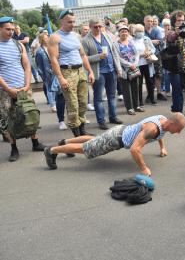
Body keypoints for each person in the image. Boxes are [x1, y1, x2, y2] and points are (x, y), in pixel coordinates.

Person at [44, 113, 185, 175]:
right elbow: (134, 149)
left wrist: (162, 147)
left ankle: (65, 142)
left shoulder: (163, 121)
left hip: (120, 130)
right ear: (171, 123)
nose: (179, 132)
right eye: (179, 129)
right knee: (86, 148)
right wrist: (144, 168)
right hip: (115, 139)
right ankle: (52, 150)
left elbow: (159, 135)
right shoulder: (152, 129)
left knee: (94, 139)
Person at [0, 16, 46, 161]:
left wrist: (27, 85)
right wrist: (7, 88)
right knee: (10, 118)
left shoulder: (17, 45)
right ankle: (14, 149)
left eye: (13, 29)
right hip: (5, 91)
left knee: (30, 114)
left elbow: (27, 65)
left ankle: (35, 142)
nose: (11, 32)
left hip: (23, 87)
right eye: (8, 29)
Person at [48, 9, 95, 137]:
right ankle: (77, 134)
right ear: (61, 21)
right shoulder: (55, 37)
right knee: (73, 105)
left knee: (83, 103)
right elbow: (54, 60)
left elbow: (83, 55)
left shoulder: (76, 36)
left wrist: (90, 72)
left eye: (74, 22)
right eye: (69, 22)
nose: (73, 24)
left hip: (80, 71)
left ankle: (83, 130)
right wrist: (61, 78)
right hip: (67, 72)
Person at [82, 18, 123, 130]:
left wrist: (118, 68)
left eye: (100, 26)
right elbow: (84, 58)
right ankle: (101, 121)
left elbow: (114, 52)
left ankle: (113, 117)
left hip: (111, 70)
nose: (99, 28)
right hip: (98, 72)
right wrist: (98, 57)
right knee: (98, 98)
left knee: (111, 95)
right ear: (90, 27)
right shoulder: (86, 40)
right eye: (96, 27)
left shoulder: (107, 35)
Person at [115, 24, 143, 115]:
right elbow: (118, 58)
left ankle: (137, 106)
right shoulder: (116, 44)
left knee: (136, 87)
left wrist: (135, 63)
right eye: (122, 31)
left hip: (134, 68)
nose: (124, 33)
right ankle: (129, 108)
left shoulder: (131, 41)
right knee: (126, 90)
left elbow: (137, 53)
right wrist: (129, 64)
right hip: (124, 70)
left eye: (126, 31)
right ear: (119, 33)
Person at [133, 24, 156, 106]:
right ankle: (140, 101)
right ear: (134, 32)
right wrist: (140, 55)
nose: (140, 33)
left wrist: (149, 52)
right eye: (138, 31)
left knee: (150, 82)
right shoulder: (132, 41)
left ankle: (152, 99)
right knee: (139, 83)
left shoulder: (146, 39)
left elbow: (153, 49)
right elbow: (131, 53)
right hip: (138, 64)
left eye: (141, 31)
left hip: (147, 63)